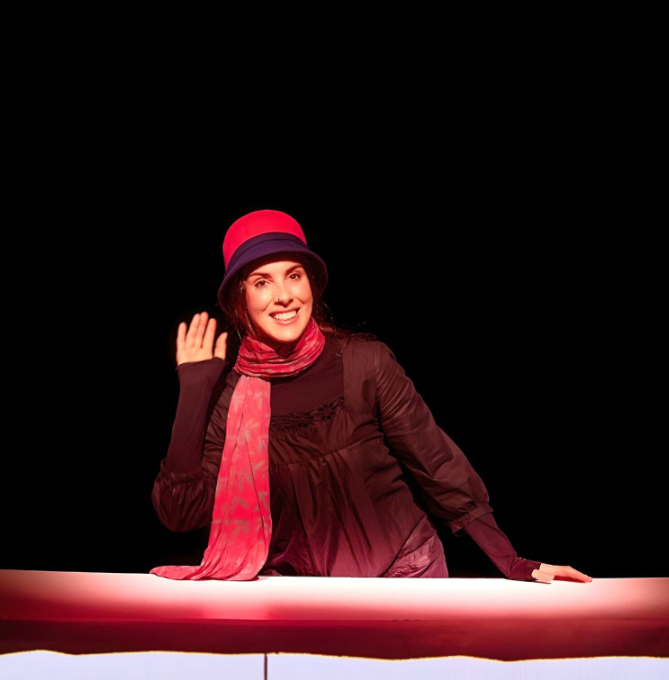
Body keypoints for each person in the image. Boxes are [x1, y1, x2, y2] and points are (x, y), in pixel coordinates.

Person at [150, 209, 589, 583]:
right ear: (240, 300)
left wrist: (512, 562)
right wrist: (195, 393)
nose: (283, 296)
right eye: (262, 282)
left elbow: (438, 466)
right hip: (302, 595)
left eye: (294, 276)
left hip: (407, 574)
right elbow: (181, 513)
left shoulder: (366, 363)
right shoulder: (232, 398)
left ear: (311, 285)